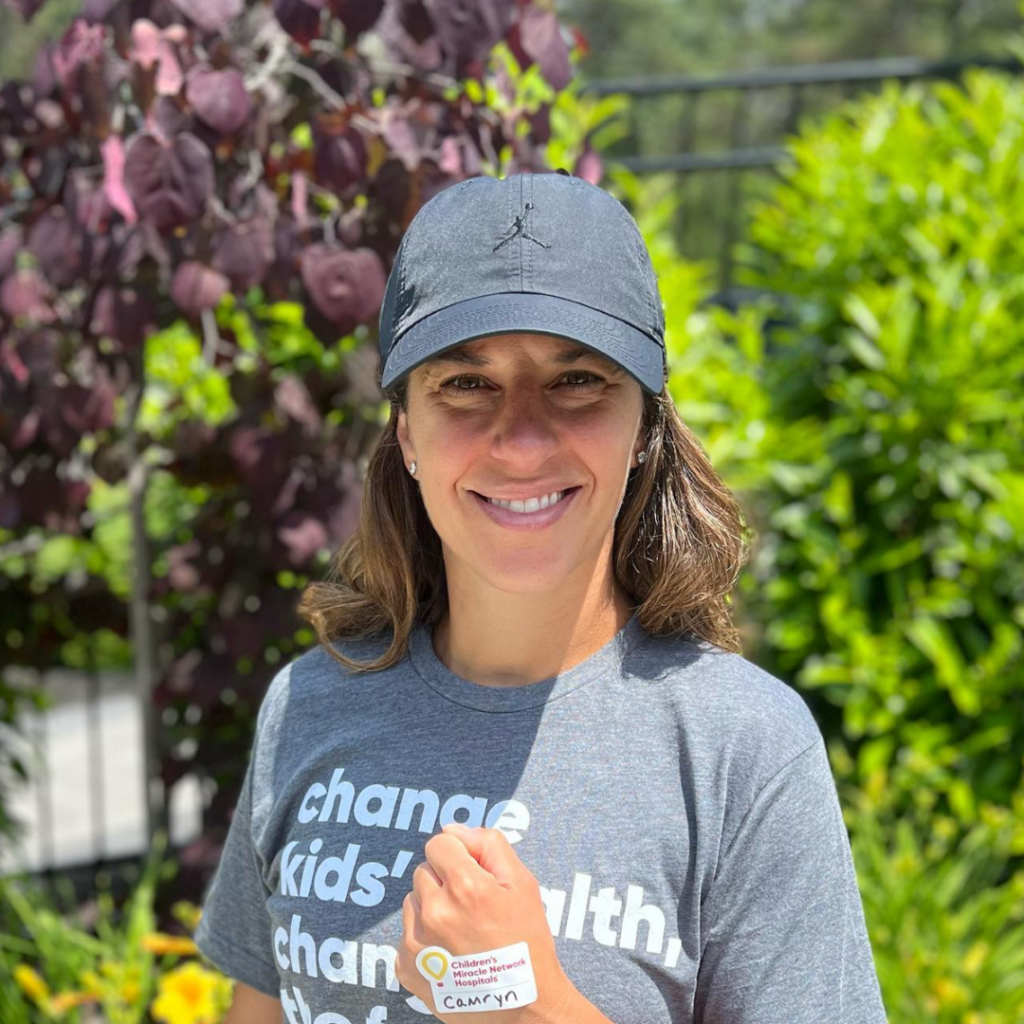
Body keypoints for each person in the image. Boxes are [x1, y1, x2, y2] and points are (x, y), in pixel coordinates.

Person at [194, 171, 889, 1024]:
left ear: (645, 427)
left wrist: (523, 1005)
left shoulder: (742, 751)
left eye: (578, 381)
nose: (522, 441)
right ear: (407, 433)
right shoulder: (307, 707)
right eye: (466, 383)